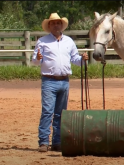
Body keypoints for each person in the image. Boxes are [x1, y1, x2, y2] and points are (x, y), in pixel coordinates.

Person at [32, 13, 89, 152]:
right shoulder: (42, 41)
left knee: (61, 113)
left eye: (58, 22)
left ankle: (57, 142)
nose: (56, 25)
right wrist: (38, 58)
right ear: (49, 26)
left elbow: (75, 59)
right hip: (49, 80)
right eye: (53, 23)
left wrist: (82, 59)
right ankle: (44, 141)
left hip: (64, 81)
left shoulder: (69, 41)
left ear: (61, 25)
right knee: (47, 111)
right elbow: (34, 60)